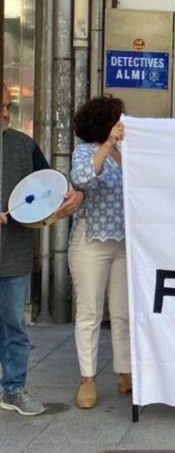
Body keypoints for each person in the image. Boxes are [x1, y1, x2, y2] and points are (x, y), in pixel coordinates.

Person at [0, 87, 83, 416]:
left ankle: (14, 389)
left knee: (15, 327)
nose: (6, 113)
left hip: (15, 255)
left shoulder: (23, 144)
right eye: (0, 107)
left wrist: (71, 195)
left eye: (8, 106)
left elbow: (49, 183)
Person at [69, 97, 132, 409]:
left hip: (123, 242)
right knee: (90, 312)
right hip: (91, 239)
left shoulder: (129, 152)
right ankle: (88, 378)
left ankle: (126, 371)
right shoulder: (85, 152)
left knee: (122, 312)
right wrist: (108, 145)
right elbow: (82, 178)